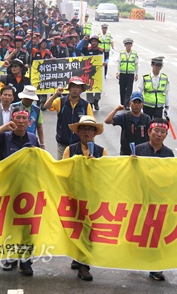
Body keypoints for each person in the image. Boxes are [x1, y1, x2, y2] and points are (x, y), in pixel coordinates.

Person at [0, 106, 39, 276]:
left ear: (29, 122)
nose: (21, 121)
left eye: (24, 118)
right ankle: (11, 257)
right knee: (9, 224)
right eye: (17, 118)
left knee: (27, 226)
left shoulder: (32, 138)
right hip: (8, 188)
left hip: (28, 189)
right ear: (12, 120)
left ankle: (26, 261)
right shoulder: (4, 137)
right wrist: (4, 127)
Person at [61, 115, 107, 282]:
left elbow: (108, 175)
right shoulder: (70, 150)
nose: (87, 132)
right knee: (75, 228)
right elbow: (63, 171)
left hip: (93, 197)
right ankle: (78, 256)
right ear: (78, 131)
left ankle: (84, 266)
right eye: (84, 128)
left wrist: (97, 167)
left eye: (90, 129)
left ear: (95, 133)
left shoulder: (102, 152)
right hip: (74, 195)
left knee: (88, 231)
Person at [134, 118, 174, 282]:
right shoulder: (138, 149)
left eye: (162, 131)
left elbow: (173, 175)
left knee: (157, 234)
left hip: (159, 199)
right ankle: (132, 260)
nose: (159, 134)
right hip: (140, 198)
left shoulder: (169, 154)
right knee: (137, 232)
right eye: (156, 131)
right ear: (149, 132)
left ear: (166, 134)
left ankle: (155, 267)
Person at [43, 76, 94, 160]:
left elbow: (91, 125)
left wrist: (91, 145)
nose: (75, 89)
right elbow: (46, 106)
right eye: (73, 86)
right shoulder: (60, 101)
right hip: (62, 143)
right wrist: (55, 94)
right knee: (62, 167)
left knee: (78, 168)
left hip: (79, 144)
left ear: (82, 90)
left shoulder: (85, 105)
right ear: (69, 88)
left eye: (78, 87)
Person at [11, 85, 45, 151]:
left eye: (30, 99)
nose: (28, 101)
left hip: (30, 140)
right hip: (14, 139)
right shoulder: (13, 107)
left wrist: (42, 144)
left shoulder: (37, 110)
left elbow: (39, 127)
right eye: (26, 98)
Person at [80, 35, 104, 110]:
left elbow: (106, 58)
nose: (94, 43)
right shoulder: (87, 49)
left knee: (98, 87)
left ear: (98, 42)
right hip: (89, 72)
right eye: (92, 41)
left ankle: (96, 101)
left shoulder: (101, 50)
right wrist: (84, 41)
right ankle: (90, 102)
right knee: (89, 86)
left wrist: (105, 62)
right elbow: (78, 49)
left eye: (95, 41)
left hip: (98, 72)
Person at [116, 38, 139, 109]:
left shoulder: (134, 53)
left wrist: (136, 74)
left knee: (129, 89)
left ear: (131, 45)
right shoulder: (121, 53)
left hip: (130, 74)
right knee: (122, 89)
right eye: (127, 44)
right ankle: (122, 103)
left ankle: (127, 104)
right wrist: (117, 72)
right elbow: (118, 63)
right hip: (122, 73)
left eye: (129, 44)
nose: (128, 46)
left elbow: (136, 64)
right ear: (125, 45)